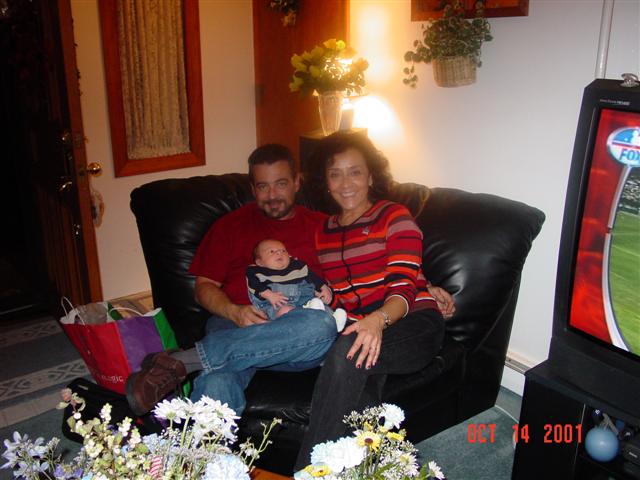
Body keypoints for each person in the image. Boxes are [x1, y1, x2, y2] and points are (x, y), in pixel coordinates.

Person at [125, 144, 338, 416]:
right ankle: (201, 445)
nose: (272, 195)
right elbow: (203, 287)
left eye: (281, 184)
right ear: (252, 189)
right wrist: (233, 312)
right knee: (216, 383)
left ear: (297, 182)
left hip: (297, 337)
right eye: (263, 186)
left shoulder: (324, 226)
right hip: (235, 325)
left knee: (322, 325)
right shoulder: (230, 226)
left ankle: (184, 361)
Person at [295, 132, 455, 469]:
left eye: (355, 172)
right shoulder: (322, 232)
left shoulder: (394, 216)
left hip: (413, 322)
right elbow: (332, 289)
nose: (346, 183)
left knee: (349, 350)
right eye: (335, 174)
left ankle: (307, 472)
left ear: (370, 176)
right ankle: (361, 471)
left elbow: (403, 285)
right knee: (361, 396)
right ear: (325, 182)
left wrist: (377, 320)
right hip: (363, 327)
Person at [247, 238, 347, 331]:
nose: (279, 253)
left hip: (306, 301)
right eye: (272, 251)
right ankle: (314, 316)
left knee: (321, 305)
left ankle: (334, 321)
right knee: (285, 310)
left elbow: (313, 278)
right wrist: (269, 295)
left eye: (283, 250)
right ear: (260, 262)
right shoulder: (257, 271)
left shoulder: (297, 266)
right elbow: (254, 285)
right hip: (279, 303)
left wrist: (324, 288)